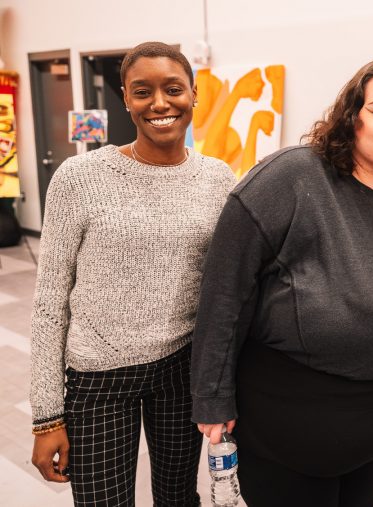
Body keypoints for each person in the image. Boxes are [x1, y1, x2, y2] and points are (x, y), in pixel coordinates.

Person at [190, 59, 373, 506]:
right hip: (290, 432)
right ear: (352, 116)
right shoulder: (290, 178)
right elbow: (224, 291)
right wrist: (212, 397)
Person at [29, 41, 235, 505]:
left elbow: (229, 289)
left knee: (179, 498)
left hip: (182, 370)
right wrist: (47, 418)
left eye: (173, 89)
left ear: (194, 94)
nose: (160, 103)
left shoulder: (219, 178)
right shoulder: (79, 178)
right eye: (143, 92)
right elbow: (48, 306)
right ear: (126, 98)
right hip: (99, 378)